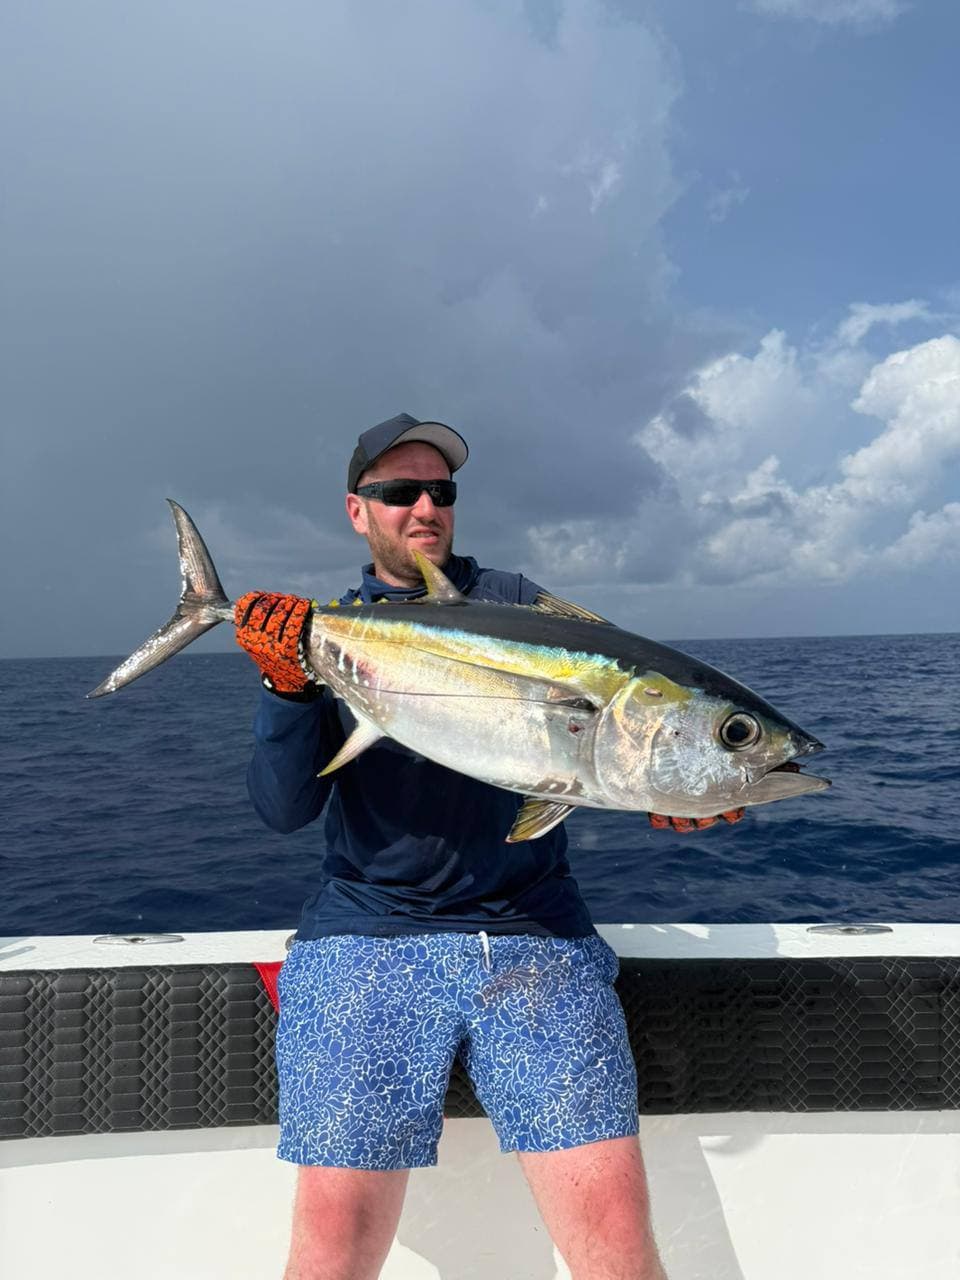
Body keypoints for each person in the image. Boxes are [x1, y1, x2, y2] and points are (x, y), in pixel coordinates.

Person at [236, 413, 734, 1279]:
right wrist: (287, 688)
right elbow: (281, 813)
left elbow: (627, 728)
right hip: (367, 940)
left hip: (536, 939)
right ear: (359, 510)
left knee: (617, 1240)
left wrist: (682, 783)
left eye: (442, 490)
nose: (425, 505)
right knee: (332, 1243)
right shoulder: (333, 632)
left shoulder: (526, 609)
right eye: (400, 492)